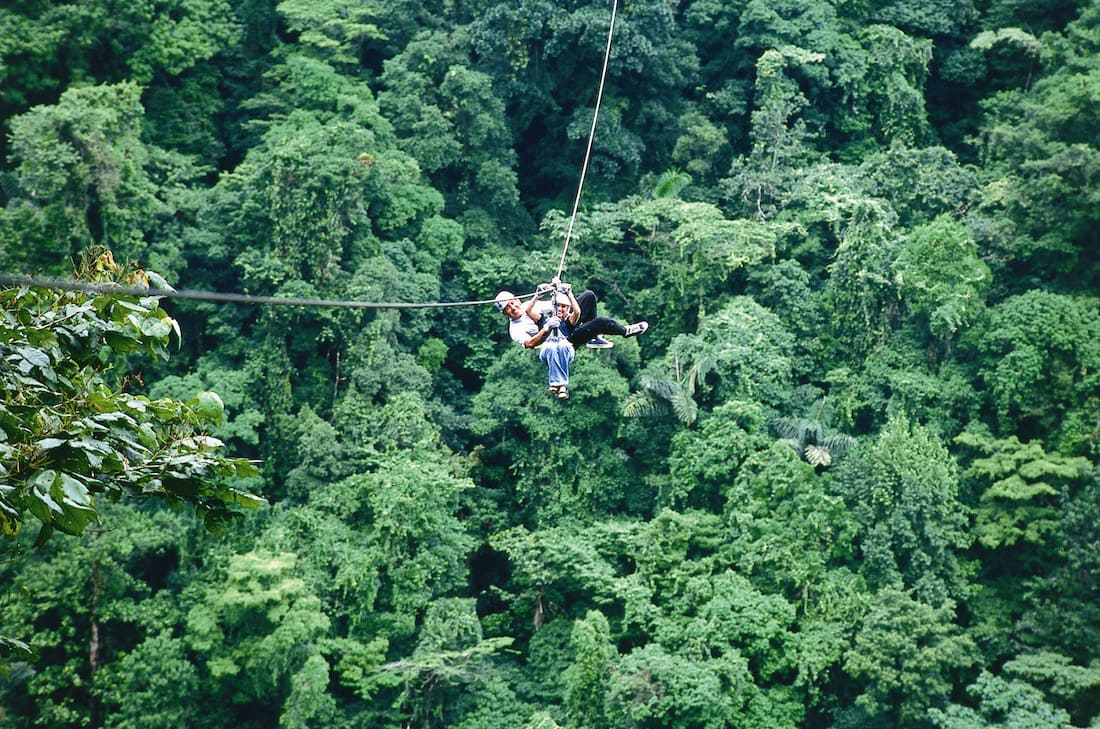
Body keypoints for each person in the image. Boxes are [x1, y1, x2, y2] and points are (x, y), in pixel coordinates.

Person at [494, 283, 649, 400]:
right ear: (505, 313)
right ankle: (621, 331)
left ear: (516, 300)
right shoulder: (515, 329)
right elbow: (530, 344)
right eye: (508, 308)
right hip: (556, 343)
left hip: (566, 327)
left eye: (513, 303)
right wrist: (546, 328)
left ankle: (594, 336)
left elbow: (557, 306)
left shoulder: (528, 305)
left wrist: (558, 290)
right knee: (601, 322)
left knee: (588, 296)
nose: (513, 308)